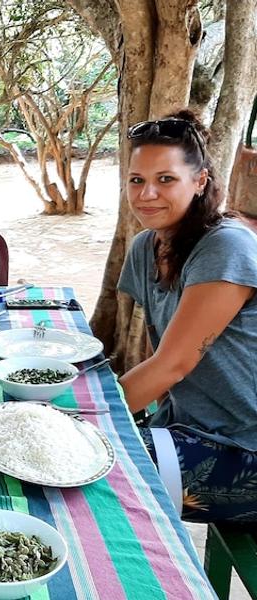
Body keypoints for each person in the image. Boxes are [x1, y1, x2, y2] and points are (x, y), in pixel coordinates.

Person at [117, 109, 257, 523]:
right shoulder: (146, 248)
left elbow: (172, 365)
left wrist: (87, 420)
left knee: (80, 467)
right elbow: (156, 350)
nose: (146, 194)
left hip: (244, 449)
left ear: (200, 182)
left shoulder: (226, 247)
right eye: (137, 180)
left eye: (166, 179)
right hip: (186, 430)